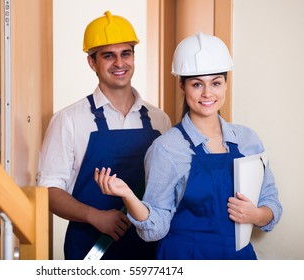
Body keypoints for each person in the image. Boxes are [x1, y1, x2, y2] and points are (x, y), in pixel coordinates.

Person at [95, 32, 282, 260]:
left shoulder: (247, 139)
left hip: (239, 259)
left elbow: (271, 202)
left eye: (215, 83)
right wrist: (127, 195)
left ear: (225, 85)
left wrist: (256, 214)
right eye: (196, 84)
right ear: (183, 86)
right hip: (185, 258)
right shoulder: (167, 148)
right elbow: (155, 229)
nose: (207, 93)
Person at [36, 11, 172, 260]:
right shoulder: (68, 120)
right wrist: (94, 216)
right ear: (92, 62)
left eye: (126, 53)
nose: (119, 63)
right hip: (91, 249)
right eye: (109, 56)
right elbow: (49, 191)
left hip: (150, 249)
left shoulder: (159, 119)